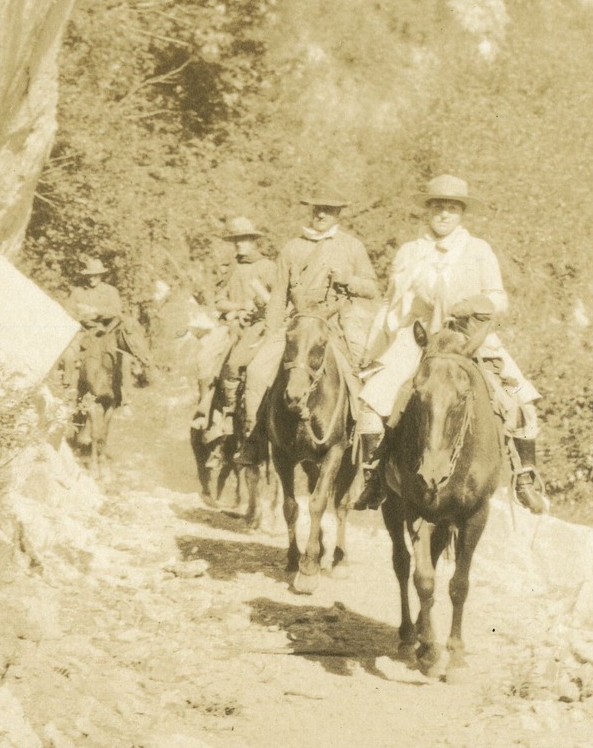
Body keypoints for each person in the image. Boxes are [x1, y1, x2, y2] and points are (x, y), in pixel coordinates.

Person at [355, 175, 549, 513]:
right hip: (418, 341)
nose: (444, 214)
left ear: (461, 213)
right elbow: (390, 302)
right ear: (427, 211)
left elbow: (498, 298)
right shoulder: (410, 252)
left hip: (468, 338)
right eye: (438, 207)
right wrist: (375, 348)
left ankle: (525, 479)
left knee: (520, 400)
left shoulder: (478, 250)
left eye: (452, 208)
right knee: (372, 402)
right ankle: (374, 479)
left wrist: (474, 304)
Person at [240, 192, 380, 434]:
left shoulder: (352, 246)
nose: (321, 214)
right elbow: (278, 297)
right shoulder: (293, 247)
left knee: (361, 370)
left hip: (337, 321)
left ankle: (361, 435)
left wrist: (348, 280)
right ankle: (254, 437)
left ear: (339, 214)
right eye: (317, 209)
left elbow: (372, 289)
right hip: (298, 323)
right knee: (256, 371)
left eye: (328, 209)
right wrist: (273, 332)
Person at [198, 216, 280, 438]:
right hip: (232, 324)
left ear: (254, 241)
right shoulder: (231, 268)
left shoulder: (268, 266)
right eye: (236, 241)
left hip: (260, 325)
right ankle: (212, 413)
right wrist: (238, 306)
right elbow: (219, 301)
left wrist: (260, 306)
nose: (239, 245)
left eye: (244, 240)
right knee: (205, 359)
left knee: (244, 364)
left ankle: (247, 415)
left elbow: (277, 300)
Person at [63, 257, 154, 395]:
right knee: (69, 354)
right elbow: (68, 312)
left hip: (107, 331)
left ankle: (122, 395)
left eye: (95, 275)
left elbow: (116, 311)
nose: (91, 278)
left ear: (100, 275)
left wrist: (96, 312)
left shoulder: (110, 291)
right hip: (83, 331)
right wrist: (81, 315)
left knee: (122, 358)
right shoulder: (78, 292)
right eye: (89, 275)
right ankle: (69, 389)